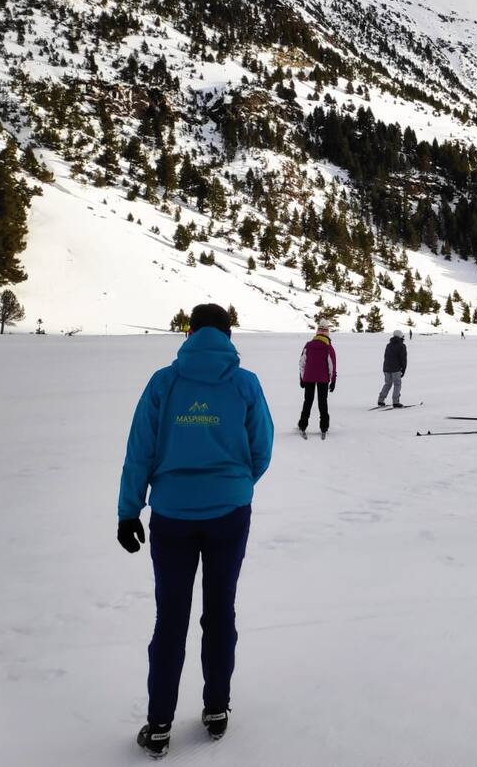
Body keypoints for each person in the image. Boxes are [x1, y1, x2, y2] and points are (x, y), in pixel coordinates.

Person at [116, 304, 273, 758]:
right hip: (229, 514)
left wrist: (130, 510)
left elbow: (139, 450)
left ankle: (160, 723)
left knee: (171, 618)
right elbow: (260, 448)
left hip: (172, 516)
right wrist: (235, 485)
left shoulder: (164, 382)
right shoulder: (245, 383)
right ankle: (217, 710)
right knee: (220, 610)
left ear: (190, 332)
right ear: (228, 333)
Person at [298, 320, 337, 438]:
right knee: (322, 402)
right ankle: (324, 426)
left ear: (317, 332)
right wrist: (333, 379)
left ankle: (303, 425)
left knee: (308, 401)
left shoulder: (308, 345)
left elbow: (302, 363)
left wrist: (302, 378)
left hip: (309, 377)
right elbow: (332, 365)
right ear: (327, 333)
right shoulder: (328, 347)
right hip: (323, 379)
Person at [378, 329, 408, 407]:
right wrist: (403, 369)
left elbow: (386, 357)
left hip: (386, 368)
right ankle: (395, 402)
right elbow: (403, 359)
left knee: (387, 384)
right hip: (396, 369)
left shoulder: (388, 345)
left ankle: (380, 400)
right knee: (397, 384)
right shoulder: (402, 345)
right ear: (401, 336)